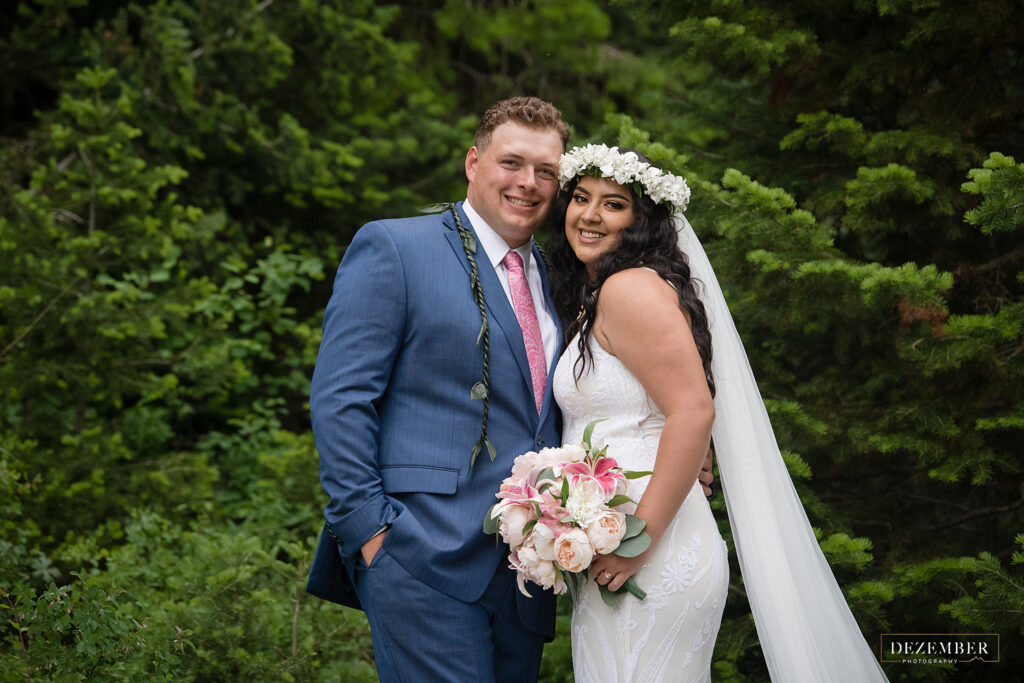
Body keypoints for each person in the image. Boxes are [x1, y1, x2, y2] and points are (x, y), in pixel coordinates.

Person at [548, 144, 889, 682]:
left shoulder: (628, 288)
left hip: (649, 547)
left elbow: (692, 411)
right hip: (620, 540)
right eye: (581, 198)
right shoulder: (601, 293)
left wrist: (639, 539)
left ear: (643, 222)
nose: (589, 215)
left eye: (613, 204)